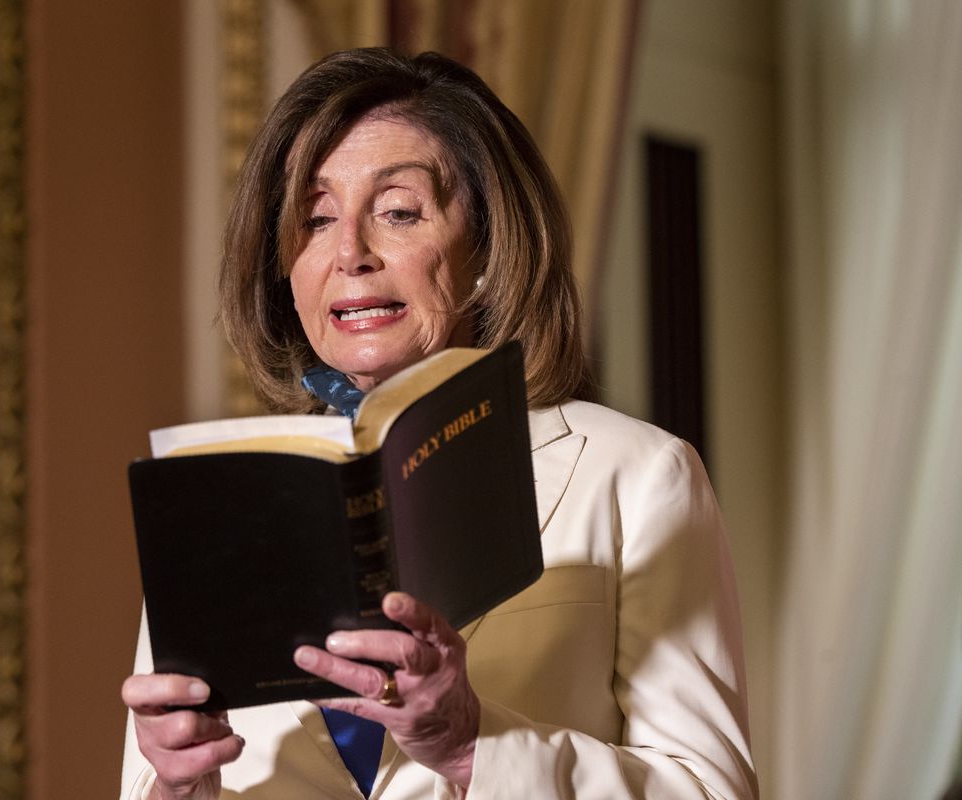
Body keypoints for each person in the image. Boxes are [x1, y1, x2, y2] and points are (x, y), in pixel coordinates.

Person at [120, 48, 757, 799]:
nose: (350, 253)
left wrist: (467, 744)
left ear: (485, 245)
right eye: (316, 219)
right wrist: (179, 787)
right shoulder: (221, 502)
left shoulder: (639, 474)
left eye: (397, 211)